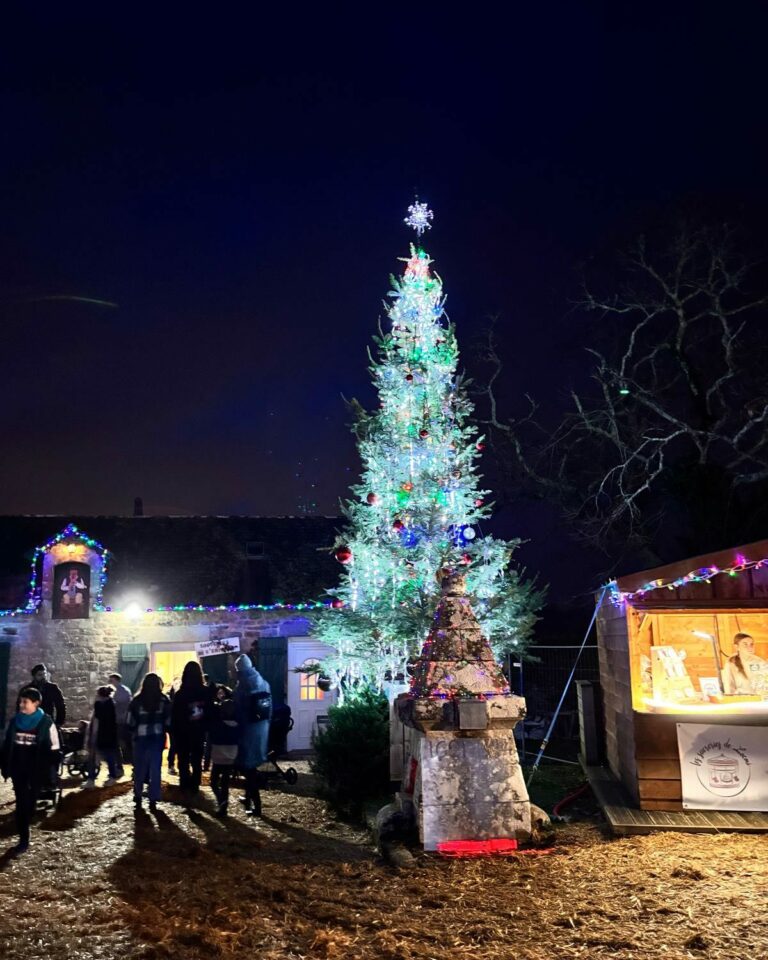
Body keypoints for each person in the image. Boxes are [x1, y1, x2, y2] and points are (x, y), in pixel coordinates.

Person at [1, 686, 61, 855]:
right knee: (22, 802)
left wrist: (49, 769)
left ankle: (25, 823)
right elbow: (7, 745)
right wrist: (6, 764)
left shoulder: (46, 723)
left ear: (36, 703)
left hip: (36, 770)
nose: (21, 704)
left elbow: (55, 748)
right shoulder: (15, 722)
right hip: (19, 768)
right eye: (21, 701)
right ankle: (23, 839)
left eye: (25, 702)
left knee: (29, 804)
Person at [233, 654, 271, 817]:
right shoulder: (264, 683)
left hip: (247, 731)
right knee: (250, 766)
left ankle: (256, 805)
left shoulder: (243, 687)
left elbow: (238, 712)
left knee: (247, 767)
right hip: (262, 729)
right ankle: (248, 797)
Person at [128, 673, 171, 812]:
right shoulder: (164, 700)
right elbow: (169, 721)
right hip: (157, 738)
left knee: (140, 769)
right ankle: (154, 798)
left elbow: (130, 721)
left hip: (140, 738)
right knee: (155, 769)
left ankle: (138, 795)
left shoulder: (137, 700)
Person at [170, 661, 211, 796]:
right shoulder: (205, 691)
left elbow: (175, 714)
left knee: (183, 758)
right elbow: (209, 711)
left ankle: (184, 782)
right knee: (197, 758)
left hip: (183, 730)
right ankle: (195, 783)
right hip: (198, 730)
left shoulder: (181, 693)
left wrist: (174, 731)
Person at [209, 684, 240, 818]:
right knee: (225, 782)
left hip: (218, 756)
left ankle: (222, 801)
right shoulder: (237, 726)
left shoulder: (218, 725)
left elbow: (213, 738)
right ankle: (224, 804)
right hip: (231, 756)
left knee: (214, 781)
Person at [83, 685, 122, 788]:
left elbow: (96, 721)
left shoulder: (99, 705)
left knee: (93, 758)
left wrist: (92, 736)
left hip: (101, 735)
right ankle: (112, 777)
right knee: (110, 758)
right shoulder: (112, 704)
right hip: (110, 735)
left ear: (100, 695)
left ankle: (91, 780)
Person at [108, 673, 133, 772]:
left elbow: (122, 705)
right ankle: (120, 765)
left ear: (117, 680)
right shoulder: (117, 691)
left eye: (111, 680)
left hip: (121, 721)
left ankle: (123, 765)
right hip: (117, 721)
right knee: (118, 745)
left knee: (122, 744)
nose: (110, 682)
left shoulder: (122, 691)